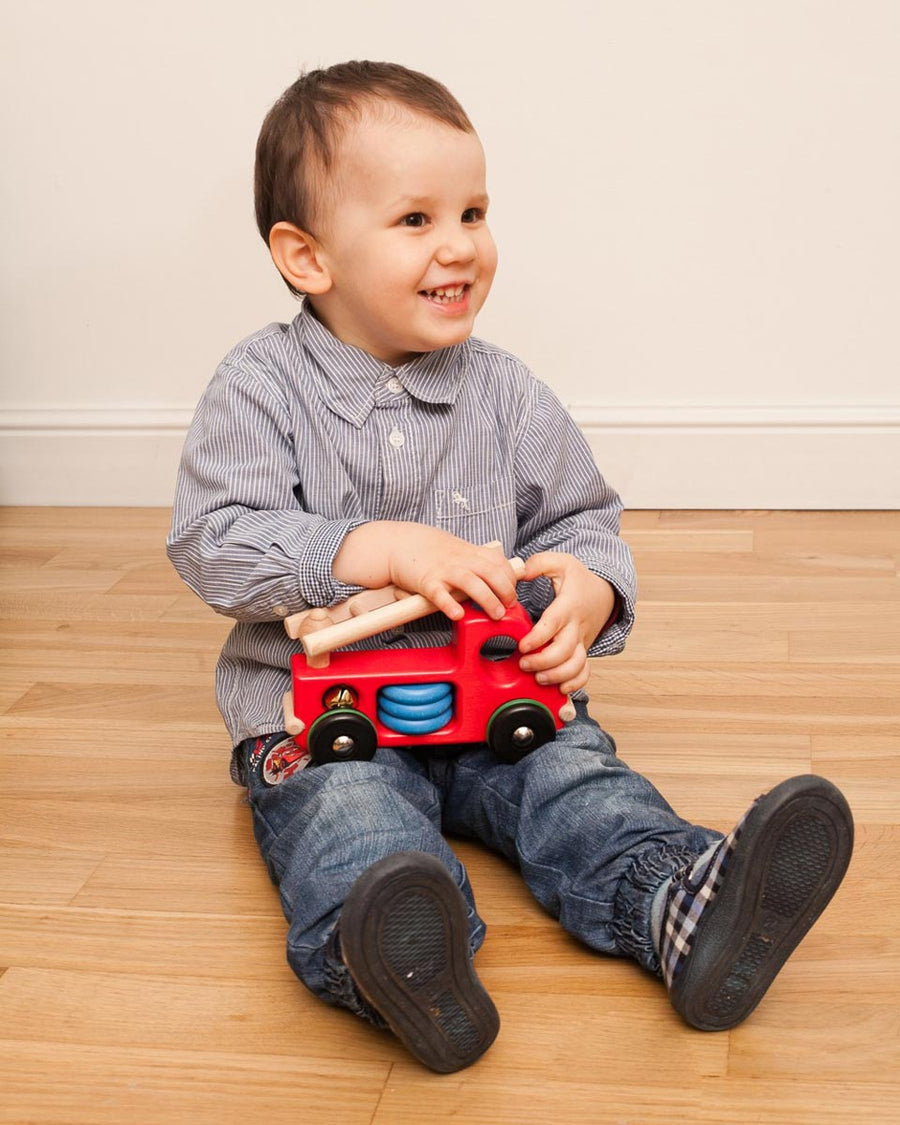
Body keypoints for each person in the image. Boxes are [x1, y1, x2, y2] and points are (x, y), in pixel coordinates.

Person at [167, 61, 853, 1074]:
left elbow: (584, 519)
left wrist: (589, 589)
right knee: (349, 814)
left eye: (475, 211)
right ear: (307, 257)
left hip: (495, 697)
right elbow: (211, 540)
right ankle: (394, 957)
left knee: (577, 780)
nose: (461, 246)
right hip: (328, 715)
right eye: (415, 220)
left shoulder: (508, 395)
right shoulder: (258, 389)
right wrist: (371, 547)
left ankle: (681, 905)